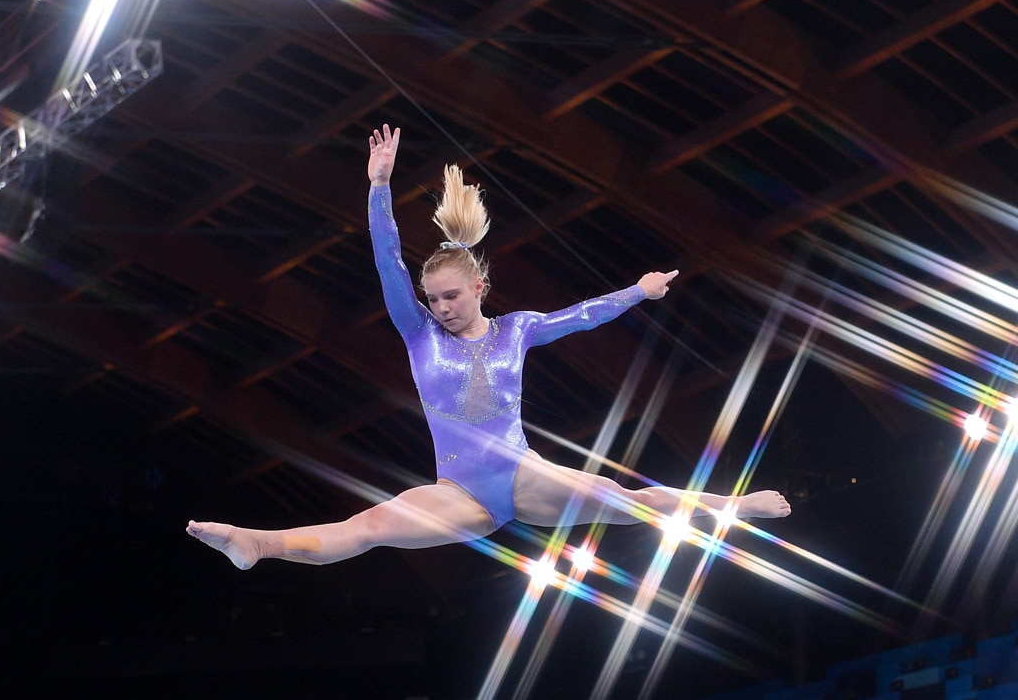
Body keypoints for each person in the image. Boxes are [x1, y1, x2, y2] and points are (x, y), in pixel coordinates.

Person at [186, 124, 790, 570]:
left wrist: (636, 291)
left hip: (524, 475)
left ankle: (735, 508)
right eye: (434, 299)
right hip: (458, 493)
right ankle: (257, 543)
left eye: (451, 296)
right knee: (368, 526)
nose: (442, 308)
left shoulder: (516, 329)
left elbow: (578, 318)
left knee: (625, 501)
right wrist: (378, 186)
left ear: (479, 286)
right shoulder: (417, 330)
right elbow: (387, 260)